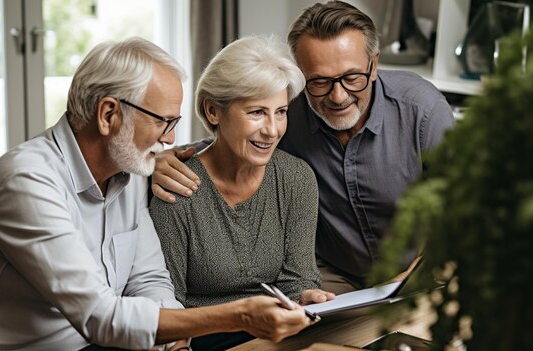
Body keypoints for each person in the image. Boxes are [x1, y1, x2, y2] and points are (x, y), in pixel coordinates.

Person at [0, 38, 314, 351]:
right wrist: (239, 315)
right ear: (107, 115)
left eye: (174, 123)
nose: (169, 139)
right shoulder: (27, 182)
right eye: (162, 121)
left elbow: (149, 279)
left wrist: (176, 343)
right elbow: (99, 315)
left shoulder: (130, 172)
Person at [151, 1, 455, 295]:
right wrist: (160, 159)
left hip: (419, 271)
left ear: (373, 65)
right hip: (336, 276)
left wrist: (413, 279)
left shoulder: (422, 110)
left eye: (351, 78)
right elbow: (234, 137)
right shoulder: (288, 111)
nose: (337, 97)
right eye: (320, 81)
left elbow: (465, 206)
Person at [149, 35, 335, 351]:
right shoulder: (178, 184)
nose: (273, 129)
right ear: (212, 111)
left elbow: (297, 280)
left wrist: (305, 296)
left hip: (274, 333)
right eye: (256, 112)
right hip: (203, 338)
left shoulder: (296, 179)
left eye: (280, 112)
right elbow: (168, 304)